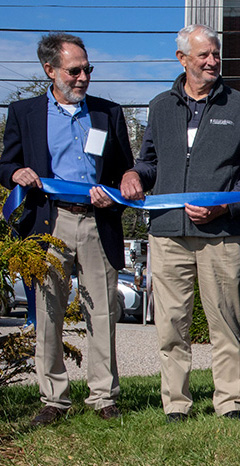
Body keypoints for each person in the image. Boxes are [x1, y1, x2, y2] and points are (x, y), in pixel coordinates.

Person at [120, 24, 240, 424]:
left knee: (226, 323)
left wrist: (223, 207)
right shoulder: (159, 106)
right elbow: (149, 162)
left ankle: (231, 403)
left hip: (221, 234)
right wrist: (135, 175)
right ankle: (176, 405)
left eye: (216, 54)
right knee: (170, 324)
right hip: (167, 233)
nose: (212, 61)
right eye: (203, 55)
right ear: (182, 59)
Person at [0, 32, 134, 425]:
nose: (83, 78)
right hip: (49, 221)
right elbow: (5, 165)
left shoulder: (108, 113)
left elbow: (125, 167)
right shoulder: (24, 113)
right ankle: (54, 399)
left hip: (98, 222)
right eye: (74, 70)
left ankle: (104, 395)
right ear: (50, 70)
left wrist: (121, 188)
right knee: (48, 312)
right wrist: (16, 172)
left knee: (103, 310)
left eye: (87, 69)